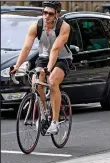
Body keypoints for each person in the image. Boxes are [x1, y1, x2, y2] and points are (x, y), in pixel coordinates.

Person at [10, 1, 72, 134]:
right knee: (36, 83)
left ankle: (55, 122)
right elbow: (26, 48)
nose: (46, 16)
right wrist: (17, 66)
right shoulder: (36, 26)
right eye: (44, 13)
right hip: (44, 57)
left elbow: (55, 49)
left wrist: (48, 69)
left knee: (52, 81)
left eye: (50, 13)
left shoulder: (64, 27)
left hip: (62, 58)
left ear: (57, 14)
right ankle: (44, 115)